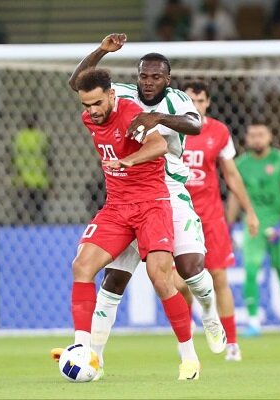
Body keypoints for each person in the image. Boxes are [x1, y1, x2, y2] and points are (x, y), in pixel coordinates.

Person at [63, 33, 226, 376]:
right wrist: (101, 51)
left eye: (156, 77)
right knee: (113, 279)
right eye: (143, 76)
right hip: (125, 195)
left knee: (190, 268)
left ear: (168, 79)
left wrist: (158, 119)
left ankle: (210, 314)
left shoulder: (177, 100)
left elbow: (194, 124)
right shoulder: (117, 95)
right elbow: (79, 83)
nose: (148, 82)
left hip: (168, 189)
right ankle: (93, 357)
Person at [179, 80, 260, 361]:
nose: (195, 106)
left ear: (208, 103)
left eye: (200, 101)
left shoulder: (219, 132)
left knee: (219, 277)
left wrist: (250, 211)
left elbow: (232, 175)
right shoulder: (168, 129)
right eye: (190, 101)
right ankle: (190, 325)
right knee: (178, 284)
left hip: (210, 216)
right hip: (178, 214)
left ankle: (232, 342)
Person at [227, 122, 280, 337]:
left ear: (270, 137)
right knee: (251, 271)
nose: (257, 139)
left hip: (278, 224)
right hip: (253, 225)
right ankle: (253, 322)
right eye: (252, 135)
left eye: (261, 135)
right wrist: (229, 226)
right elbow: (235, 197)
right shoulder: (241, 164)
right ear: (246, 139)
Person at [12, 113, 50, 224]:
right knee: (38, 206)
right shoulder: (41, 137)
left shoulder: (20, 137)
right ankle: (38, 222)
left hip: (23, 176)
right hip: (39, 177)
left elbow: (13, 155)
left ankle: (21, 222)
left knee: (24, 204)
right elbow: (48, 156)